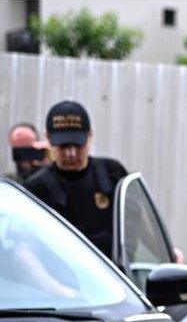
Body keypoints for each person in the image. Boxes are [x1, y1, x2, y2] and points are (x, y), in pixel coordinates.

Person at [25, 101, 129, 258]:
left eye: (77, 145)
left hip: (113, 277)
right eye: (63, 146)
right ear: (48, 138)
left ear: (90, 135)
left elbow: (138, 226)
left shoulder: (112, 173)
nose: (71, 154)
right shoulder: (36, 188)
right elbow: (25, 250)